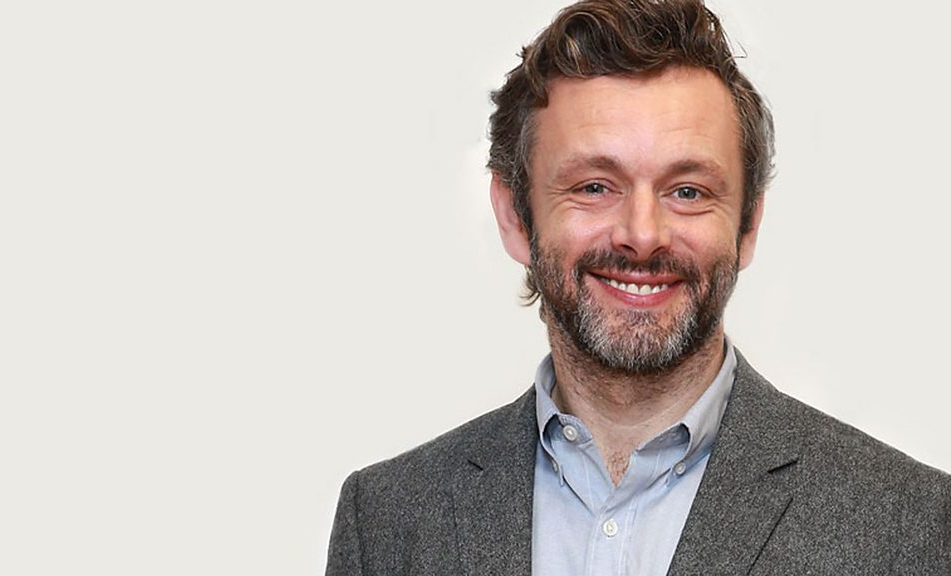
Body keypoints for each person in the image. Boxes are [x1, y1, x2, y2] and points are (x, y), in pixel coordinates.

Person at [325, 0, 951, 574]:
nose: (642, 235)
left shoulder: (911, 526)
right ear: (514, 215)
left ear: (748, 225)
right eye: (595, 186)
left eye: (688, 191)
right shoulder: (384, 522)